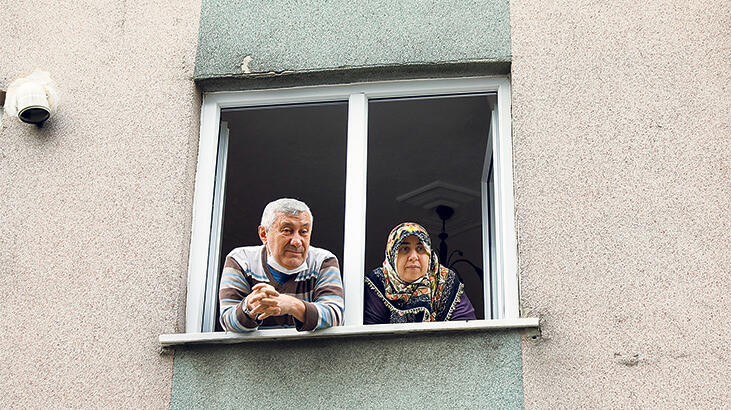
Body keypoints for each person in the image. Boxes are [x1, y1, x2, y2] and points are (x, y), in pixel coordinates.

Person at [219, 198, 344, 332]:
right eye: (287, 230)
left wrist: (292, 305)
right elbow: (227, 322)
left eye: (303, 232)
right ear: (264, 234)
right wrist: (250, 306)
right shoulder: (241, 260)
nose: (297, 241)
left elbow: (335, 316)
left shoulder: (323, 261)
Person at [364, 222, 476, 324]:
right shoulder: (379, 282)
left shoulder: (445, 280)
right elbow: (370, 338)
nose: (413, 257)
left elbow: (466, 332)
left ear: (429, 255)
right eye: (405, 249)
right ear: (392, 254)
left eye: (420, 248)